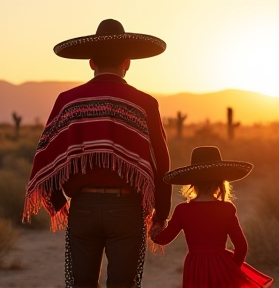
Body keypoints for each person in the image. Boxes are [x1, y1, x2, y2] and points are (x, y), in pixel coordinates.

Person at [22, 19, 172, 288]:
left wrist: (58, 200)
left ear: (91, 62)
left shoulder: (68, 101)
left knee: (81, 283)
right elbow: (161, 160)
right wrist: (161, 212)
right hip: (128, 209)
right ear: (127, 62)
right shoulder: (145, 103)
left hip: (83, 209)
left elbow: (48, 153)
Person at [149, 146, 273, 288]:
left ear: (192, 183)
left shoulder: (182, 210)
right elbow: (241, 246)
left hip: (194, 267)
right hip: (222, 266)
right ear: (220, 183)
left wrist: (154, 226)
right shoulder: (226, 209)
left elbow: (163, 239)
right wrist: (232, 268)